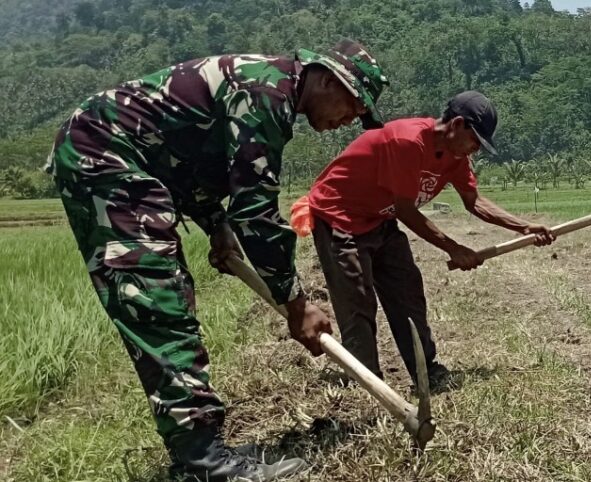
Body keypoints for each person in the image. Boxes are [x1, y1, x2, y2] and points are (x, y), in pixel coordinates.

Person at [45, 40, 388, 481]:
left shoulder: (272, 88)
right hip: (105, 153)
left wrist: (215, 223)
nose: (349, 120)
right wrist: (296, 303)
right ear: (325, 79)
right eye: (353, 104)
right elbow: (258, 212)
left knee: (166, 297)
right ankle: (205, 464)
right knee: (155, 299)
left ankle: (200, 451)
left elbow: (190, 161)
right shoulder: (266, 94)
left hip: (132, 156)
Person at [303, 91, 555, 386]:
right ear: (457, 124)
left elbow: (474, 201)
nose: (475, 149)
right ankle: (366, 383)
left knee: (407, 288)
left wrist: (523, 227)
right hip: (339, 215)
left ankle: (427, 371)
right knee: (357, 300)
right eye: (475, 140)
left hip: (378, 217)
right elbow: (407, 212)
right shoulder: (407, 142)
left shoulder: (455, 156)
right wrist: (454, 248)